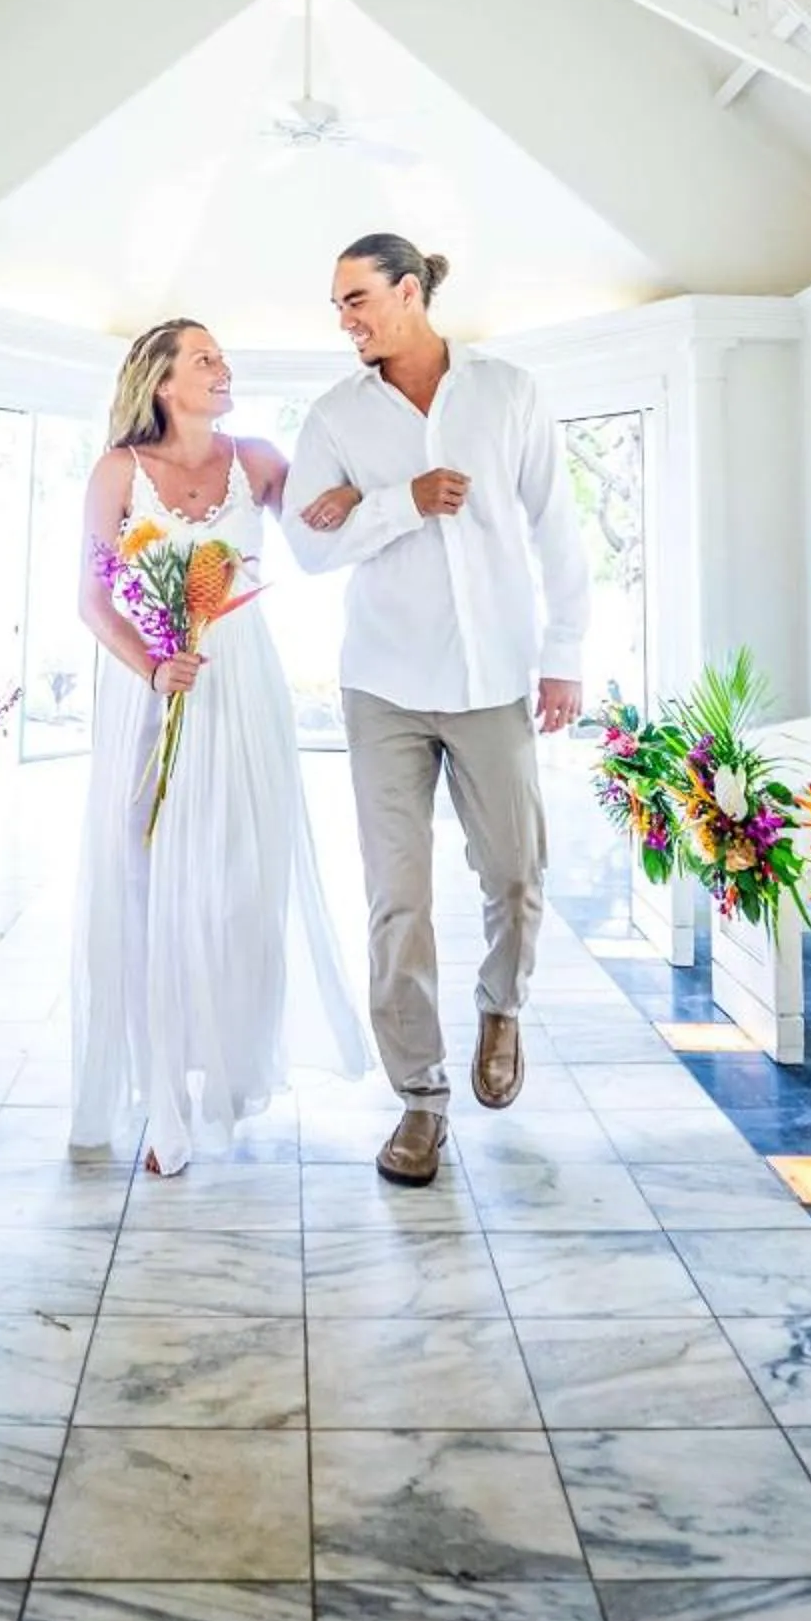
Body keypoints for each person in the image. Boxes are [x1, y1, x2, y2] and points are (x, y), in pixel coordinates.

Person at [284, 237, 588, 1186]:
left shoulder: (508, 394)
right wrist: (396, 503)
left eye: (357, 299)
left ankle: (503, 1007)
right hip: (383, 687)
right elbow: (305, 545)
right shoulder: (333, 418)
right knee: (397, 900)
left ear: (409, 292)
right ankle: (420, 1099)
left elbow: (558, 527)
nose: (346, 319)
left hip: (496, 676)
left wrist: (564, 657)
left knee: (515, 870)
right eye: (339, 305)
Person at [70, 318, 369, 1175]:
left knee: (241, 884)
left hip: (243, 688)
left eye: (221, 357)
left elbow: (316, 535)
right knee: (151, 887)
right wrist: (153, 665)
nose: (223, 367)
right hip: (157, 688)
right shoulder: (118, 471)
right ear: (164, 381)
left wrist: (349, 498)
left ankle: (226, 1075)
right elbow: (93, 600)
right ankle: (162, 1103)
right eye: (205, 358)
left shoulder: (259, 459)